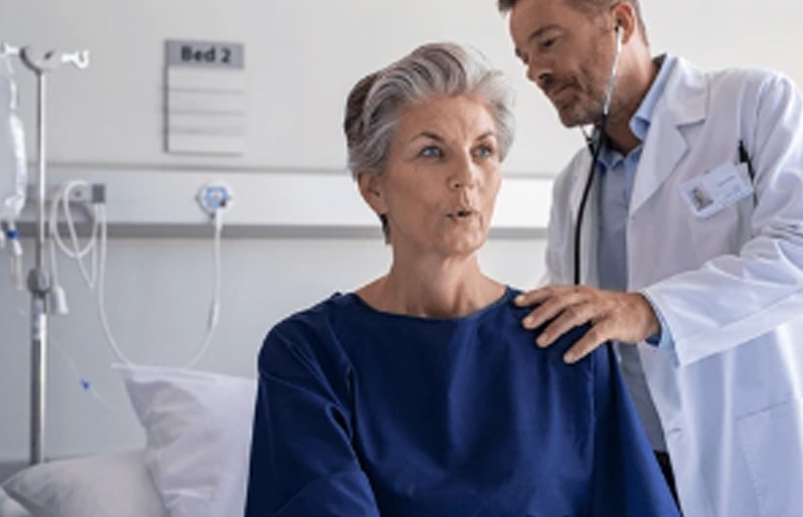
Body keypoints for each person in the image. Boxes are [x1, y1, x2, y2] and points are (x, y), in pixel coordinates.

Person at [497, 0, 803, 517]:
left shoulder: (753, 104)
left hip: (770, 456)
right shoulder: (574, 185)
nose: (535, 70)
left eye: (547, 41)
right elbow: (577, 317)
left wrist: (649, 311)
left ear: (621, 21)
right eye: (524, 55)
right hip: (644, 470)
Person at [243, 42, 680, 516]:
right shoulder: (311, 354)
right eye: (432, 152)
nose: (466, 176)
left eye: (483, 151)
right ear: (374, 188)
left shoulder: (565, 341)